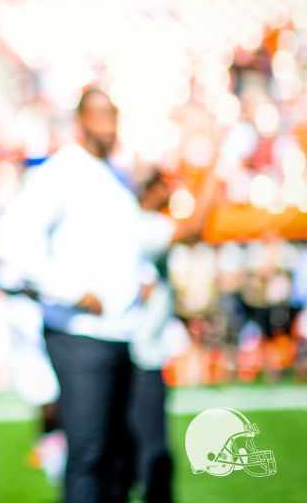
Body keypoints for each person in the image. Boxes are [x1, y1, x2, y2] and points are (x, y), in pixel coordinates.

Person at [0, 87, 153, 503]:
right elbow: (7, 240)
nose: (109, 123)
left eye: (113, 113)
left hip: (120, 330)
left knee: (117, 457)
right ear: (81, 121)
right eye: (100, 114)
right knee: (88, 455)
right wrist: (73, 291)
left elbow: (119, 242)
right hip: (79, 335)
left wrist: (143, 275)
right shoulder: (63, 171)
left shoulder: (114, 173)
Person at [122, 165, 219, 503]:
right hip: (138, 356)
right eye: (164, 185)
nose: (169, 191)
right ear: (151, 190)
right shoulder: (141, 224)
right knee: (152, 455)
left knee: (134, 454)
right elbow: (192, 230)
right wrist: (212, 176)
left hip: (132, 353)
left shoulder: (131, 223)